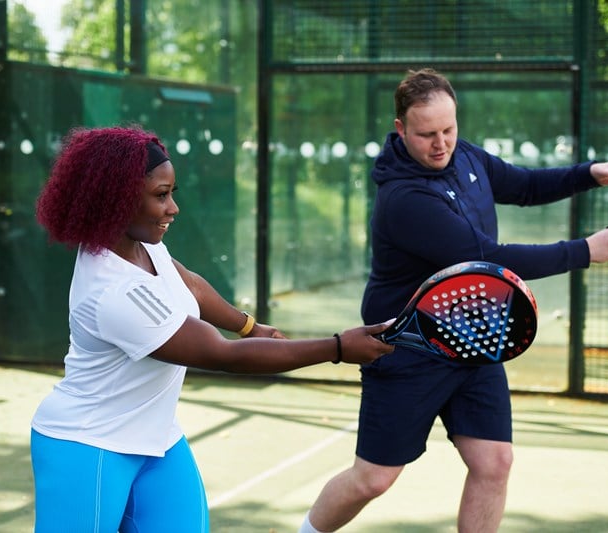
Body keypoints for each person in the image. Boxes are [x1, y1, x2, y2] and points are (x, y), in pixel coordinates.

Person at [298, 68, 608, 533]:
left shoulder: (467, 158)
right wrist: (585, 250)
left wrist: (595, 175)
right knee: (373, 479)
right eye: (426, 135)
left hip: (472, 338)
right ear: (401, 130)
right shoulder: (404, 199)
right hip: (406, 347)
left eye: (449, 130)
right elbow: (486, 258)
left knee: (494, 461)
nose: (441, 144)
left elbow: (525, 185)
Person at [29, 125, 394, 533]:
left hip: (157, 440)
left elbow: (190, 284)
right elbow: (222, 356)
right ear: (116, 200)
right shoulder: (112, 290)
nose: (173, 208)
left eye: (172, 193)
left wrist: (249, 325)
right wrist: (338, 347)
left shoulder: (141, 246)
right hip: (88, 446)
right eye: (160, 195)